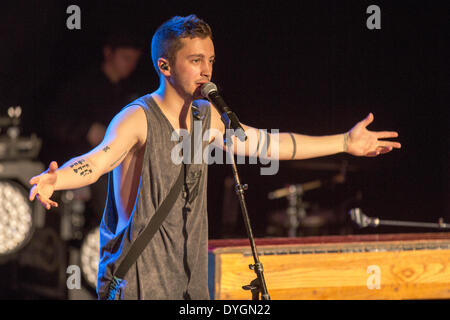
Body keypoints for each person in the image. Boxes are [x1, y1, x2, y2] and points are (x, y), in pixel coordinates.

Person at [28, 15, 401, 300]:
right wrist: (54, 179)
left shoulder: (209, 118)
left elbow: (272, 145)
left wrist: (344, 142)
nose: (206, 69)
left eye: (210, 59)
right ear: (165, 66)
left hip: (189, 282)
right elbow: (99, 161)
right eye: (195, 60)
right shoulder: (137, 117)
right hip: (138, 279)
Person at [42, 32, 143, 230]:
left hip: (114, 169)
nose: (130, 65)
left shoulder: (127, 93)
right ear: (109, 53)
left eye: (134, 60)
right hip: (80, 167)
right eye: (126, 58)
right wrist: (87, 129)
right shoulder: (81, 86)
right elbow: (53, 119)